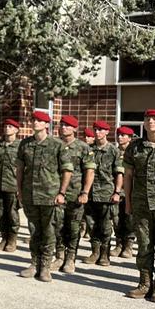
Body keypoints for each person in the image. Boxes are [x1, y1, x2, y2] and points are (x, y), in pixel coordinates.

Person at [17, 111, 72, 283]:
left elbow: (67, 171)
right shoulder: (25, 144)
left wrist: (61, 193)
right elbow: (19, 170)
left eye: (39, 120)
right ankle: (34, 263)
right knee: (34, 231)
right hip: (30, 194)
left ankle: (46, 267)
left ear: (46, 125)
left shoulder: (57, 145)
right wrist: (19, 191)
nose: (35, 122)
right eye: (33, 120)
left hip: (50, 196)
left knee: (49, 232)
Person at [122, 109, 155, 301]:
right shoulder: (135, 147)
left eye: (154, 118)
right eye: (147, 119)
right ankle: (145, 283)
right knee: (144, 245)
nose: (151, 121)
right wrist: (127, 202)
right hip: (141, 203)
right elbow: (128, 176)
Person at [54, 115, 95, 273]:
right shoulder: (54, 145)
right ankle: (59, 256)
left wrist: (85, 191)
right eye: (62, 125)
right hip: (55, 193)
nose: (64, 128)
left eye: (68, 125)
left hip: (75, 194)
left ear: (75, 129)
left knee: (73, 227)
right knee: (57, 226)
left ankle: (70, 258)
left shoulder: (83, 147)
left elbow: (89, 171)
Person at [83, 120, 123, 266]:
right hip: (90, 193)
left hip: (106, 193)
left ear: (107, 132)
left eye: (101, 130)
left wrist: (117, 192)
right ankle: (95, 252)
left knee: (105, 226)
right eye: (95, 129)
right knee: (91, 224)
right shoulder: (88, 149)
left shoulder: (113, 151)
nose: (97, 132)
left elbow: (119, 173)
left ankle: (105, 254)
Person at [0, 118, 22, 251]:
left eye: (10, 126)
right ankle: (4, 237)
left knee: (12, 213)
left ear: (16, 130)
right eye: (6, 126)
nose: (7, 129)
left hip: (13, 184)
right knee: (0, 212)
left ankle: (12, 239)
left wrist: (21, 187)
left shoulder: (21, 146)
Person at [112, 126, 136, 258]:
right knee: (117, 219)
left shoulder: (133, 152)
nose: (120, 137)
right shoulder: (114, 152)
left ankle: (129, 245)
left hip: (130, 190)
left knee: (129, 219)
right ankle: (119, 244)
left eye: (123, 135)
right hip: (115, 191)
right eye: (118, 135)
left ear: (129, 138)